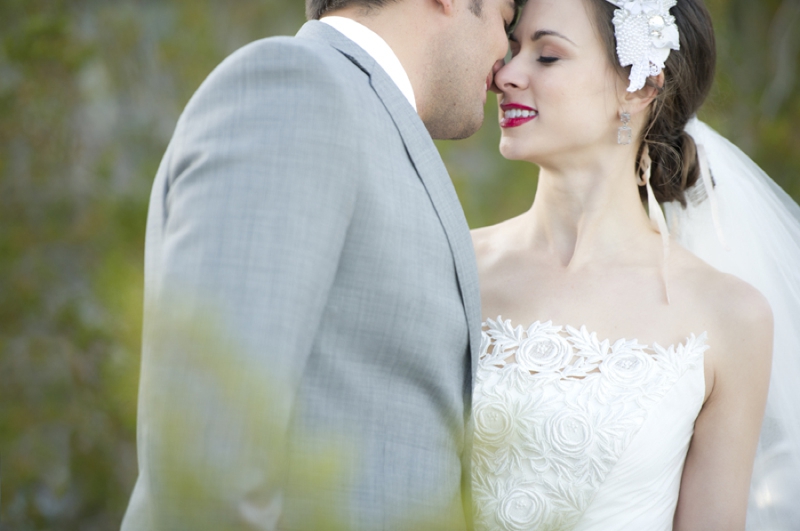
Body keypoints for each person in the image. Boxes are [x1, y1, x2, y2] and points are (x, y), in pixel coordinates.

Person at [120, 0, 520, 529]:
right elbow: (211, 450)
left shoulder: (371, 122)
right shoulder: (294, 87)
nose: (506, 59)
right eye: (505, 19)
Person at [469, 0, 800, 529]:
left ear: (641, 86)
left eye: (547, 56)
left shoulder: (730, 316)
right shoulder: (456, 265)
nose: (506, 75)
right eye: (511, 50)